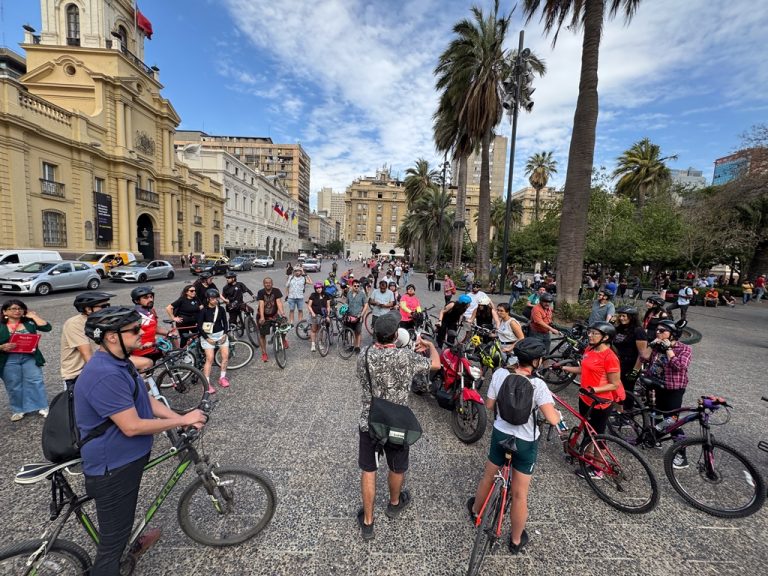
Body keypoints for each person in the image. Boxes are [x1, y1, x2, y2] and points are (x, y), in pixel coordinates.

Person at [76, 307, 206, 574]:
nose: (142, 333)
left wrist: (181, 418)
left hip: (125, 460)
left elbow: (144, 399)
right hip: (112, 467)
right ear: (112, 336)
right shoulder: (105, 373)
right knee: (111, 548)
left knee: (123, 520)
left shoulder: (121, 361)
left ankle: (131, 544)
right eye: (135, 329)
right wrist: (181, 421)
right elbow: (132, 426)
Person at [467, 338, 565, 554]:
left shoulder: (500, 374)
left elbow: (489, 404)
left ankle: (475, 511)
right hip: (525, 442)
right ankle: (516, 540)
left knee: (488, 477)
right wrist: (557, 414)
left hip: (501, 434)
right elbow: (552, 419)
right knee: (520, 494)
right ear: (537, 362)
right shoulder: (539, 385)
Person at [356, 313, 440, 540]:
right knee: (397, 466)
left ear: (375, 334)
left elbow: (363, 381)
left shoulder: (364, 355)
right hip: (397, 422)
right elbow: (436, 364)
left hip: (370, 420)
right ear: (395, 335)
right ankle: (394, 503)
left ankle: (368, 522)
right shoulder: (406, 357)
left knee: (369, 469)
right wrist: (431, 346)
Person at [558, 322, 621, 477]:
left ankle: (598, 469)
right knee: (588, 432)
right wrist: (564, 367)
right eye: (590, 332)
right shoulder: (590, 349)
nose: (590, 336)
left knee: (598, 435)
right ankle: (588, 458)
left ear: (605, 337)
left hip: (600, 402)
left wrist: (594, 390)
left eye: (594, 333)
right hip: (585, 398)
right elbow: (583, 369)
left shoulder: (610, 357)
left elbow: (614, 384)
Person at [639, 319, 692, 468]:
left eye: (662, 331)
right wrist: (652, 345)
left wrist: (668, 348)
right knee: (655, 413)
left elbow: (679, 366)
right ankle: (655, 439)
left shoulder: (684, 349)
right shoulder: (657, 346)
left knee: (672, 420)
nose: (658, 333)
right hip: (655, 385)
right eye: (657, 330)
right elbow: (644, 357)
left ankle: (681, 455)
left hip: (673, 389)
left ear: (673, 334)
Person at [0, 299, 51, 422]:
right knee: (14, 385)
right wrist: (1, 347)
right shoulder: (1, 326)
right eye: (13, 308)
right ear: (5, 312)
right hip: (9, 359)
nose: (17, 311)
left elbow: (47, 327)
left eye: (20, 308)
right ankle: (18, 409)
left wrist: (33, 316)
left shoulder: (29, 322)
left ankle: (42, 406)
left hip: (29, 357)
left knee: (36, 381)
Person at [61, 292, 115, 388]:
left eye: (108, 305)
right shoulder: (75, 324)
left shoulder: (102, 321)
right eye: (104, 306)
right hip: (78, 374)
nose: (108, 309)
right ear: (88, 309)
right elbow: (87, 354)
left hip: (103, 367)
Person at [612, 306, 648, 411]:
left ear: (631, 317)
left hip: (631, 364)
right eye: (620, 316)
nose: (621, 318)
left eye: (624, 316)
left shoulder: (638, 331)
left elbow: (642, 354)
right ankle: (619, 410)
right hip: (618, 363)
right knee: (617, 387)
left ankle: (628, 413)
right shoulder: (619, 329)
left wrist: (635, 371)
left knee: (627, 390)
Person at [131, 286, 175, 363]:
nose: (150, 299)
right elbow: (130, 334)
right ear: (136, 301)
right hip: (139, 353)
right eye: (146, 298)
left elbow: (155, 327)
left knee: (169, 360)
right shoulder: (134, 315)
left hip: (152, 348)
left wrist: (169, 333)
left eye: (151, 297)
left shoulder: (152, 311)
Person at [197, 288, 230, 392]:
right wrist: (207, 338)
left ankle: (222, 377)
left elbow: (225, 322)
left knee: (225, 356)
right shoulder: (203, 311)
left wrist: (225, 334)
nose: (215, 300)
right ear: (208, 299)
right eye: (212, 298)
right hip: (208, 336)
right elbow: (199, 327)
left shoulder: (221, 309)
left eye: (216, 298)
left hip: (221, 334)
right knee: (210, 358)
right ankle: (206, 383)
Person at [256, 277, 286, 362]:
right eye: (266, 283)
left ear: (272, 283)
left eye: (269, 282)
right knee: (262, 335)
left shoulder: (276, 291)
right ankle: (264, 353)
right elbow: (261, 304)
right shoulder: (261, 292)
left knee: (283, 327)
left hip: (274, 315)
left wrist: (282, 313)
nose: (268, 284)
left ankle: (283, 340)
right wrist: (262, 317)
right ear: (263, 284)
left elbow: (278, 302)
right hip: (263, 316)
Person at [345, 279, 368, 352]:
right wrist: (344, 311)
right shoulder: (349, 294)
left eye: (358, 286)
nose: (356, 287)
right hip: (350, 316)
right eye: (355, 286)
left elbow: (366, 305)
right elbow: (346, 303)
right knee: (351, 331)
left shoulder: (362, 294)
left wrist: (361, 315)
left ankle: (357, 346)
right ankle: (352, 345)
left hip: (358, 316)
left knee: (358, 332)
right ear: (352, 286)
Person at [307, 282, 331, 353]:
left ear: (322, 288)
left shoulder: (326, 295)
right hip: (315, 315)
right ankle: (313, 344)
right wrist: (312, 313)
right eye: (317, 288)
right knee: (313, 329)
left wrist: (327, 315)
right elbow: (309, 305)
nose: (318, 289)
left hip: (322, 315)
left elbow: (328, 306)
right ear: (315, 289)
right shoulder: (313, 295)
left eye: (320, 288)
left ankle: (320, 343)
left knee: (320, 329)